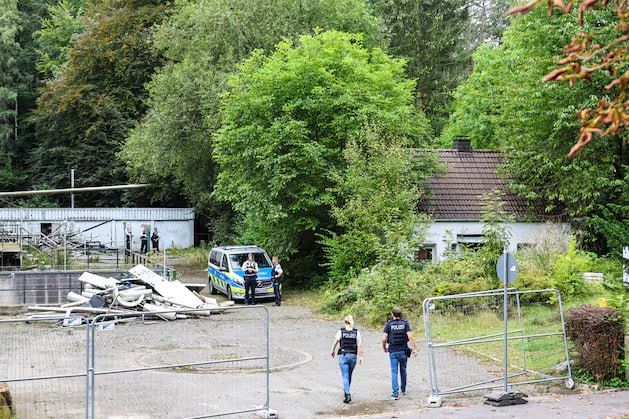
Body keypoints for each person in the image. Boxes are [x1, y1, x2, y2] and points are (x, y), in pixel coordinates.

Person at [381, 307, 417, 400]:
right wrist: (415, 348)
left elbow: (384, 338)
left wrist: (384, 347)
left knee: (394, 372)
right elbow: (410, 337)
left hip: (393, 351)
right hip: (403, 350)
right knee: (403, 370)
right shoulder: (405, 323)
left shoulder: (389, 325)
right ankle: (403, 389)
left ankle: (395, 394)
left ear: (392, 314)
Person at [331, 315, 363, 404]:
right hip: (353, 356)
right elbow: (360, 346)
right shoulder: (357, 333)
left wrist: (332, 350)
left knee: (345, 375)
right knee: (349, 375)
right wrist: (360, 356)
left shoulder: (341, 332)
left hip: (343, 356)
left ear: (345, 322)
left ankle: (347, 394)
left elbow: (335, 342)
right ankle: (346, 391)